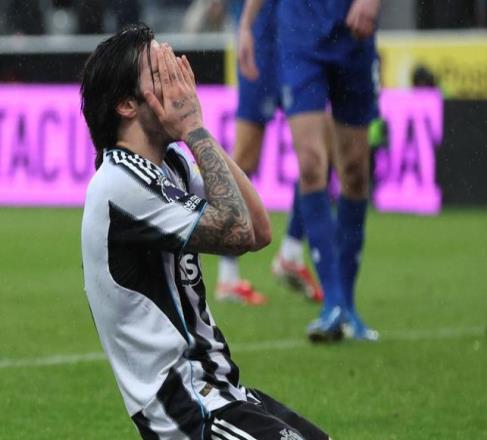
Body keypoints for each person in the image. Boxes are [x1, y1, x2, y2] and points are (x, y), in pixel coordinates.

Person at [80, 23, 331, 439]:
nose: (177, 83)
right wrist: (192, 128)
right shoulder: (119, 182)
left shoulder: (171, 164)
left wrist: (197, 133)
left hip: (222, 391)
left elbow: (258, 230)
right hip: (186, 409)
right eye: (160, 73)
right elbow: (236, 231)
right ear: (126, 104)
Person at [275, 0, 382, 341]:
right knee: (310, 164)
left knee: (354, 171)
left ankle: (347, 304)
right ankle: (332, 302)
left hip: (352, 32)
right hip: (299, 31)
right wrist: (247, 26)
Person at [216, 0, 329, 305]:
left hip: (301, 38)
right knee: (246, 156)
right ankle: (228, 276)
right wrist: (245, 27)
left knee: (319, 150)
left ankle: (291, 252)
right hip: (263, 39)